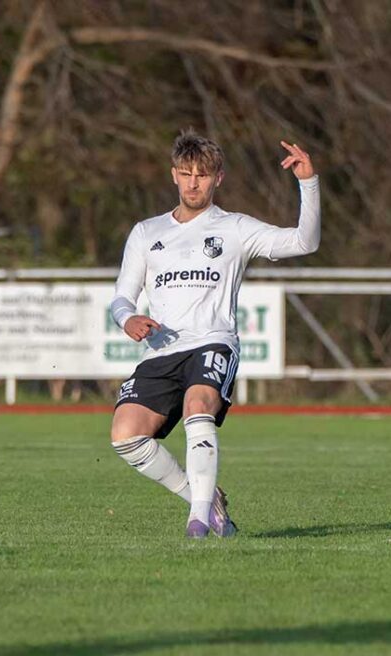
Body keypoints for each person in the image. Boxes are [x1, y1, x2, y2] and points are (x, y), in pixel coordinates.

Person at [108, 129, 319, 538]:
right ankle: (204, 498)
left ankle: (198, 523)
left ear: (217, 178)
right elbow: (122, 297)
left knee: (197, 405)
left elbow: (304, 242)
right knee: (125, 435)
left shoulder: (235, 228)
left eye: (201, 175)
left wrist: (308, 183)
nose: (192, 183)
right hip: (160, 352)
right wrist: (128, 319)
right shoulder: (146, 232)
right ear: (173, 175)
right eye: (185, 174)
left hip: (212, 341)